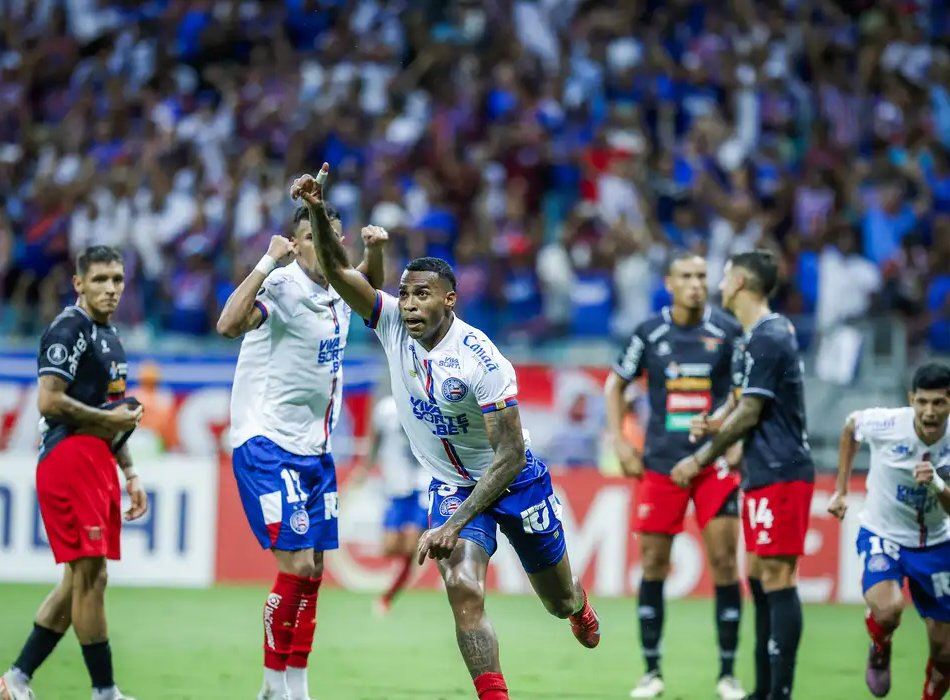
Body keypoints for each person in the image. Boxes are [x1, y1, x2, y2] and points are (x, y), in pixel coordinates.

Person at [294, 163, 601, 700]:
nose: (410, 304)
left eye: (423, 295)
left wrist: (452, 524)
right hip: (453, 485)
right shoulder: (391, 323)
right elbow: (341, 273)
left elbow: (508, 456)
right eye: (405, 294)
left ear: (449, 300)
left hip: (515, 481)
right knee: (463, 589)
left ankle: (577, 606)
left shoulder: (483, 360)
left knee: (557, 600)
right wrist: (318, 210)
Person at [215, 204, 386, 700]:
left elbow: (370, 289)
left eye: (330, 238)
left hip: (317, 450)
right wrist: (267, 261)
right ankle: (272, 687)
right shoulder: (283, 284)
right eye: (310, 238)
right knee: (295, 568)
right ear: (295, 245)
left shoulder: (340, 286)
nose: (321, 247)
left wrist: (375, 251)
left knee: (313, 574)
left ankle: (297, 686)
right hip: (267, 444)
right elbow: (228, 325)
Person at [0, 245, 147, 700]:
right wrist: (108, 419)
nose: (110, 288)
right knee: (90, 577)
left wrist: (131, 473)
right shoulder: (69, 327)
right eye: (100, 279)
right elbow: (49, 400)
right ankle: (104, 691)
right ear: (78, 283)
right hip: (70, 456)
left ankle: (15, 680)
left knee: (81, 579)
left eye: (117, 279)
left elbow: (113, 413)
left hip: (98, 461)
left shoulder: (111, 338)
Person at [604, 252, 747, 700]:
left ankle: (727, 674)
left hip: (713, 462)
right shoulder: (650, 332)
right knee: (652, 564)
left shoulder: (728, 331)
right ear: (669, 283)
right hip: (662, 463)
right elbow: (615, 384)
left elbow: (745, 392)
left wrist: (737, 439)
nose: (695, 284)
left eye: (702, 276)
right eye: (686, 276)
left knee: (725, 562)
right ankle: (652, 672)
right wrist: (621, 442)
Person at [681, 249, 814, 700]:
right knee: (757, 575)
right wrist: (716, 421)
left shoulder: (770, 336)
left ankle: (780, 692)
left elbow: (752, 410)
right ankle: (764, 688)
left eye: (723, 277)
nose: (718, 285)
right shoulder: (751, 338)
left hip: (782, 470)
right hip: (761, 470)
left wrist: (700, 458)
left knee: (778, 576)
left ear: (739, 282)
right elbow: (740, 400)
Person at [827, 362, 950, 700]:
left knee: (944, 650)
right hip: (883, 533)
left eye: (938, 403)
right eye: (922, 402)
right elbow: (851, 427)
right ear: (911, 399)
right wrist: (840, 490)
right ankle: (880, 647)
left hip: (935, 543)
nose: (929, 411)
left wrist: (937, 483)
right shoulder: (887, 423)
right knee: (887, 611)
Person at [368, 391, 429, 616]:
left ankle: (387, 598)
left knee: (412, 547)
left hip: (422, 484)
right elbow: (374, 440)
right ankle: (389, 591)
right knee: (390, 547)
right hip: (396, 486)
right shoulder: (384, 409)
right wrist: (365, 468)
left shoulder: (426, 403)